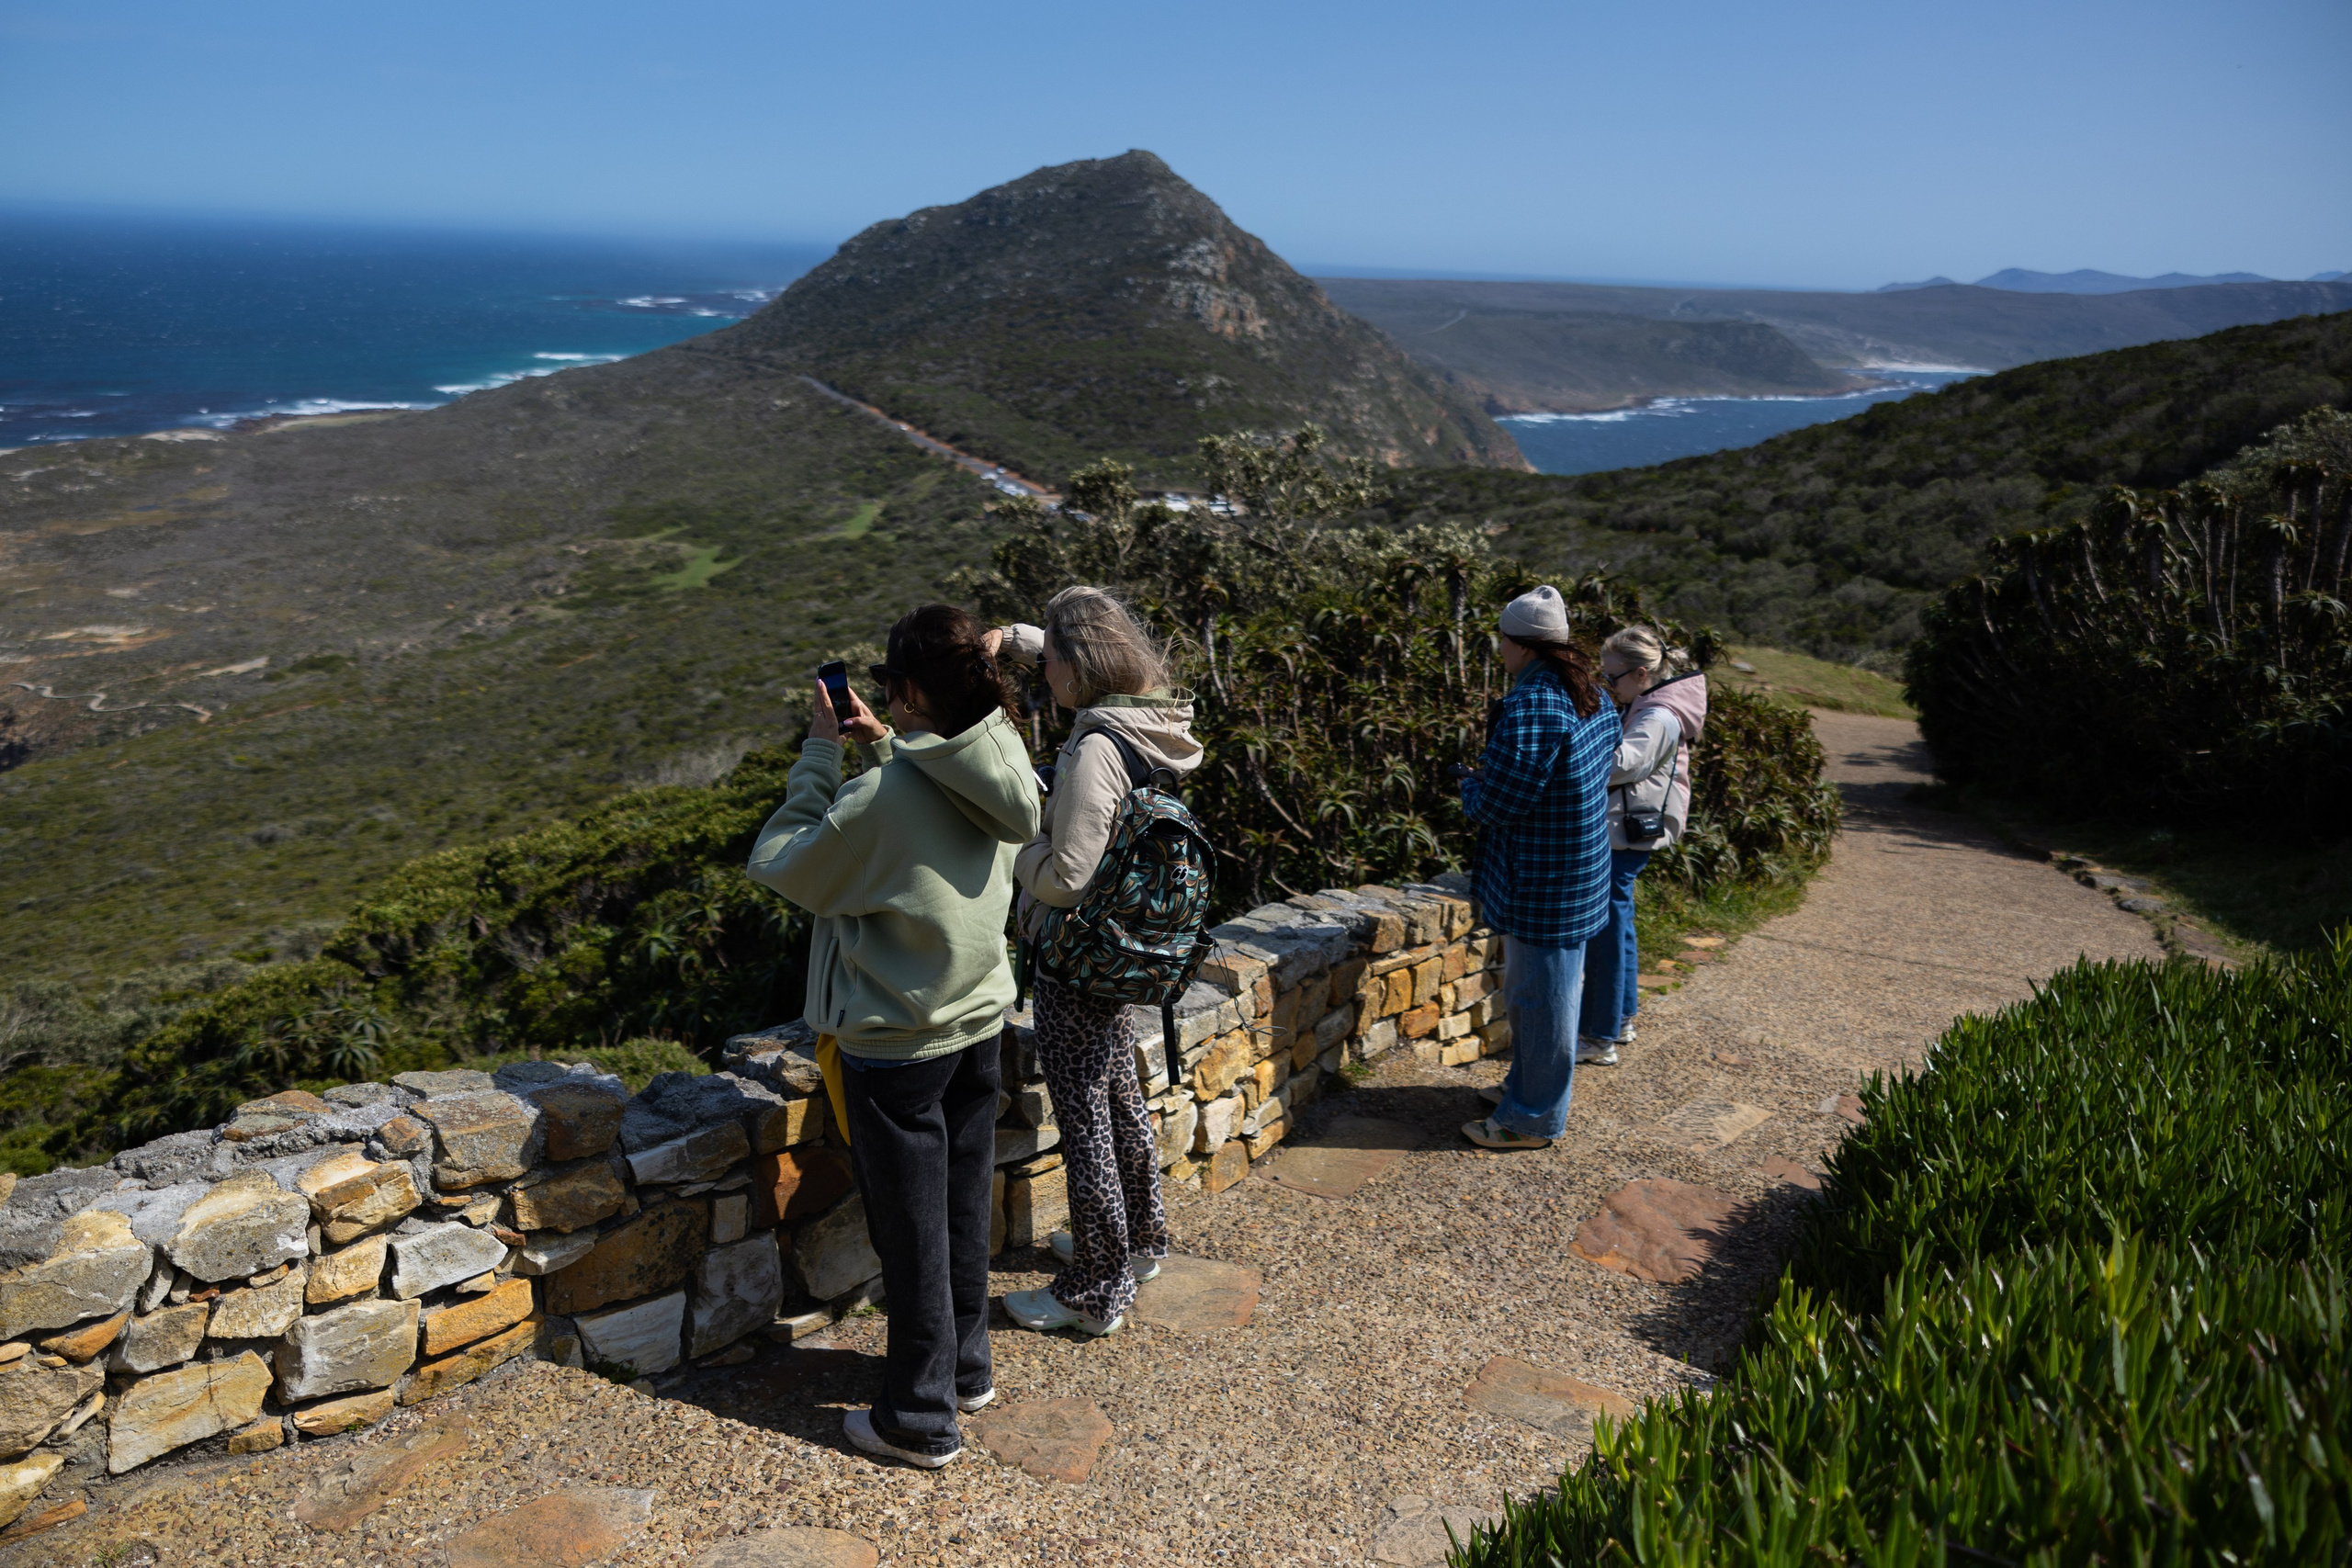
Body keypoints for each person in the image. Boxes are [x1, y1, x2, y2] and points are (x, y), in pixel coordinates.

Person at [744, 604, 1040, 1470]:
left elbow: (787, 861)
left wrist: (821, 752)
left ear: (906, 690)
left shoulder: (877, 795)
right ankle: (966, 1370)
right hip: (978, 1021)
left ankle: (919, 1415)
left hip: (897, 1046)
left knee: (910, 1231)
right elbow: (932, 819)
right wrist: (887, 742)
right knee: (959, 1206)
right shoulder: (1001, 760)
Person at [989, 586, 1199, 1336]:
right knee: (1119, 1096)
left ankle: (1095, 1287)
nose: (1040, 672)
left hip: (1077, 958)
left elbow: (1067, 875)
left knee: (1084, 1118)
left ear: (1079, 667)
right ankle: (1138, 1241)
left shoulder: (1096, 749)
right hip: (1121, 949)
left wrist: (1021, 852)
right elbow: (1079, 636)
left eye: (1047, 660)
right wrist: (1011, 638)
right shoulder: (1153, 716)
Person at [1456, 584, 1618, 1152]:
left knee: (1542, 1001)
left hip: (1542, 877)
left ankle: (1531, 1119)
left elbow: (1502, 802)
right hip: (1579, 866)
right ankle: (1523, 1090)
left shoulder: (1531, 704)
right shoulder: (1589, 690)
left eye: (1502, 640)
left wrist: (1469, 789)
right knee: (1542, 993)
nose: (1500, 650)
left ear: (1519, 644)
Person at [1578, 626, 1708, 1066]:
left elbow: (1623, 765)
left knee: (1606, 931)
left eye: (1611, 678)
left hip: (1624, 831)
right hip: (1634, 826)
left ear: (1639, 673)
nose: (1606, 686)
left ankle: (1599, 1037)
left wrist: (1574, 748)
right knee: (1620, 921)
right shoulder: (1649, 704)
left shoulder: (1658, 716)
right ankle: (1620, 1020)